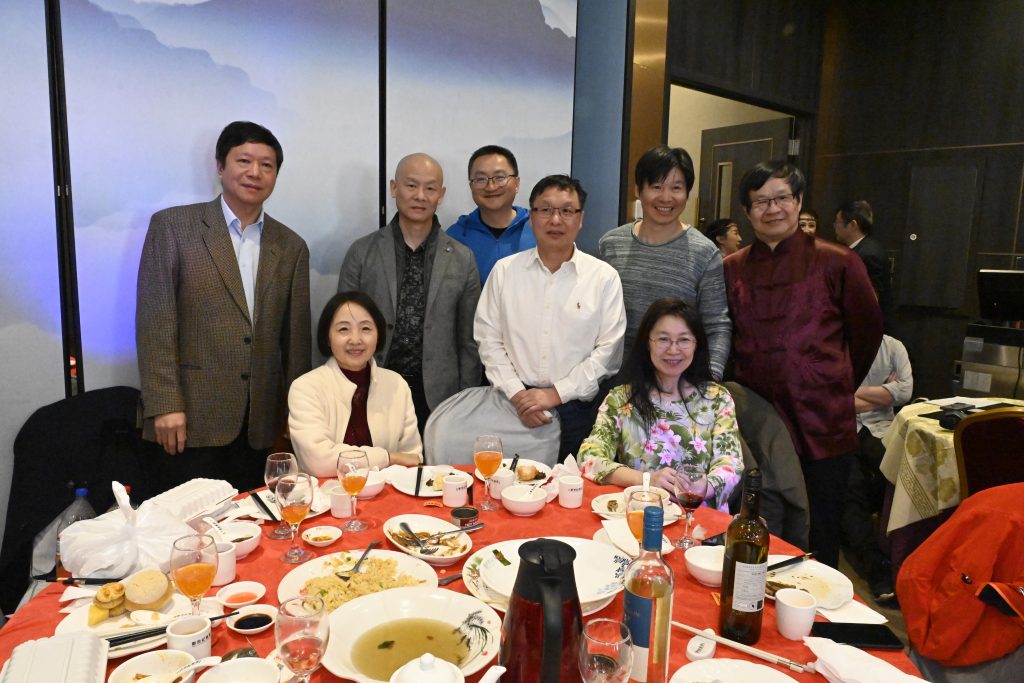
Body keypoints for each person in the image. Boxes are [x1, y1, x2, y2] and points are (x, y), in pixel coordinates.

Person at [724, 160, 882, 568]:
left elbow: (866, 334)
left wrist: (831, 382)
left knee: (820, 532)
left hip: (822, 422)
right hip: (757, 423)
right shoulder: (732, 268)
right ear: (747, 210)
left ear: (798, 201)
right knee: (759, 528)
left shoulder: (838, 261)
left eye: (782, 198)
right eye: (761, 201)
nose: (772, 208)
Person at [136, 121, 311, 490]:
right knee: (189, 521)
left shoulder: (291, 246)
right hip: (189, 419)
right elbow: (155, 322)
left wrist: (295, 416)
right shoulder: (173, 227)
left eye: (266, 165)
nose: (255, 172)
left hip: (259, 425)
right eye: (243, 161)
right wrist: (165, 404)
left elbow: (295, 342)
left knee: (255, 518)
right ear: (220, 166)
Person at [474, 174, 626, 458]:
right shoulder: (505, 272)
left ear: (580, 219)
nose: (556, 220)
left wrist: (555, 394)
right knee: (507, 481)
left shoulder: (603, 278)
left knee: (572, 484)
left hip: (577, 410)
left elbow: (608, 353)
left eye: (567, 211)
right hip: (512, 404)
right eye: (545, 210)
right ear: (531, 217)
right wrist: (519, 395)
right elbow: (488, 339)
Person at [338, 153, 481, 434]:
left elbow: (469, 340)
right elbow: (341, 327)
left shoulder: (462, 258)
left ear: (441, 195)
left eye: (430, 188)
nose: (420, 196)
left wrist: (466, 399)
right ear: (394, 188)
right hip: (372, 385)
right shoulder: (362, 252)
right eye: (411, 185)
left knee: (434, 462)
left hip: (439, 395)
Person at [579, 299, 743, 509]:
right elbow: (589, 457)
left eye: (684, 340)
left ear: (697, 344)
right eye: (663, 339)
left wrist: (703, 487)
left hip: (699, 517)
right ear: (648, 342)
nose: (673, 350)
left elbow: (731, 464)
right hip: (639, 515)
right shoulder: (621, 399)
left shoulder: (717, 399)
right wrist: (646, 480)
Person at [599, 145, 731, 379]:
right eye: (656, 187)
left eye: (676, 188)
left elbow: (716, 325)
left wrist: (708, 382)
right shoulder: (611, 244)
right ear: (638, 190)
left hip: (678, 384)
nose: (666, 197)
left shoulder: (704, 253)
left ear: (687, 193)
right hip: (614, 380)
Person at [288, 292, 422, 477]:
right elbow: (318, 461)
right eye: (344, 329)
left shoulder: (396, 385)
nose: (356, 339)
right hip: (328, 492)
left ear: (378, 334)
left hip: (387, 491)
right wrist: (388, 457)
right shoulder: (305, 388)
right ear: (327, 337)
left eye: (365, 328)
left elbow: (412, 458)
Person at [842, 333, 913, 602]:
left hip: (883, 432)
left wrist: (851, 391)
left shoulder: (893, 347)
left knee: (903, 478)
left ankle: (904, 562)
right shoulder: (837, 345)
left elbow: (905, 392)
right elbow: (830, 400)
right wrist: (883, 393)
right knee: (851, 487)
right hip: (843, 430)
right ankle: (877, 569)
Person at [447, 145, 535, 283]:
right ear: (471, 187)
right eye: (481, 179)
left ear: (516, 183)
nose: (491, 187)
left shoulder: (538, 229)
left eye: (500, 177)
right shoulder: (455, 237)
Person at [833, 200, 893, 325]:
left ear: (852, 225)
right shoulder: (861, 249)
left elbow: (871, 300)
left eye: (837, 222)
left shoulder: (869, 254)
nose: (834, 226)